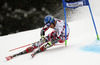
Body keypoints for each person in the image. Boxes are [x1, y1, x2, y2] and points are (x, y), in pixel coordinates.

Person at [6, 15, 70, 60]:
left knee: (54, 39)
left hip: (64, 36)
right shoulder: (51, 22)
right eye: (47, 25)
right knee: (46, 38)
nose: (48, 26)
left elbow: (57, 38)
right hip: (57, 32)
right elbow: (43, 30)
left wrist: (49, 43)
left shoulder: (59, 26)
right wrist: (42, 38)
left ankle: (46, 45)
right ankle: (35, 46)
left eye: (48, 25)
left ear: (52, 22)